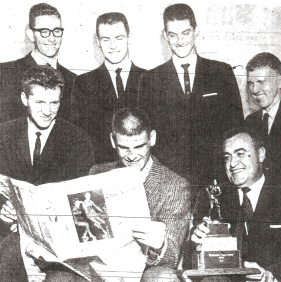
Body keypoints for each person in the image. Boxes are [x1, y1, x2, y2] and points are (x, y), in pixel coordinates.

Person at [46, 108, 191, 282]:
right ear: (113, 141)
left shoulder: (175, 185)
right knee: (57, 277)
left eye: (139, 146)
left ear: (152, 138)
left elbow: (173, 255)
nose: (131, 156)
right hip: (97, 267)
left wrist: (159, 244)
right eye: (123, 147)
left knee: (163, 277)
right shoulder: (97, 173)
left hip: (144, 272)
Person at [0, 65, 95, 282]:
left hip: (59, 243)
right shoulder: (3, 135)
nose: (47, 110)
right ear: (24, 99)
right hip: (9, 237)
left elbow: (80, 201)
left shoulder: (77, 140)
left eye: (54, 103)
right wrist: (3, 210)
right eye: (40, 102)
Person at [138, 3, 243, 196]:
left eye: (186, 33)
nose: (180, 41)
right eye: (173, 35)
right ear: (164, 36)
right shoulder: (149, 80)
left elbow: (237, 131)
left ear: (197, 31)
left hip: (216, 183)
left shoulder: (221, 72)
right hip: (168, 188)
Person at [192, 127, 281, 281]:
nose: (233, 163)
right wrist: (196, 244)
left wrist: (271, 274)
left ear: (261, 154)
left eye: (240, 154)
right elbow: (193, 260)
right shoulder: (210, 197)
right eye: (227, 157)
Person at [71, 12, 146, 165]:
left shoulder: (149, 78)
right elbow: (81, 140)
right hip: (101, 172)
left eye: (119, 38)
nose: (113, 46)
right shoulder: (83, 84)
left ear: (129, 38)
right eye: (106, 39)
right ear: (97, 42)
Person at [0, 3, 76, 123]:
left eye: (56, 31)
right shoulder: (5, 74)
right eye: (44, 31)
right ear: (31, 35)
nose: (52, 39)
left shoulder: (74, 81)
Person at [245, 52, 281, 186]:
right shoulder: (250, 121)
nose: (255, 90)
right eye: (251, 83)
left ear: (280, 81)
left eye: (261, 82)